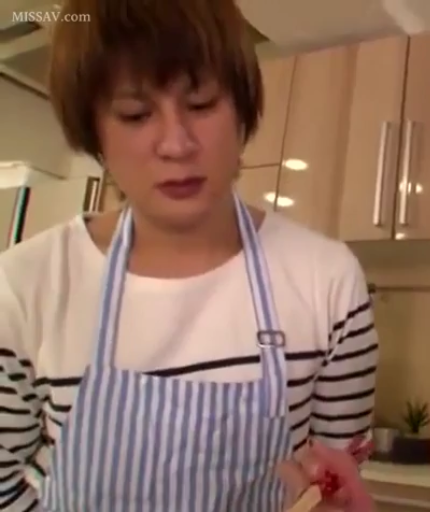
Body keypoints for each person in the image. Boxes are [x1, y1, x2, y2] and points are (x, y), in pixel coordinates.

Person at [0, 0, 377, 510]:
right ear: (94, 132)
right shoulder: (23, 288)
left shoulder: (328, 283)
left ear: (242, 110)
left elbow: (332, 483)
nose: (176, 144)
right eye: (135, 114)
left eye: (200, 104)